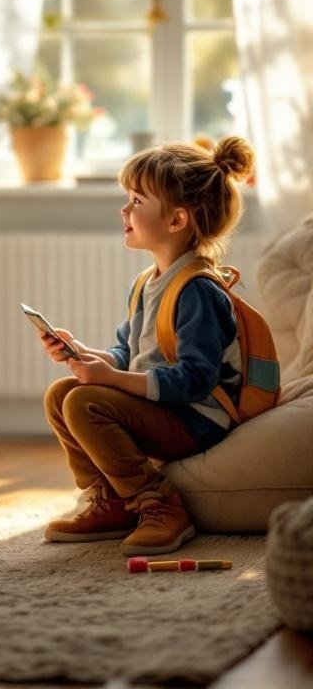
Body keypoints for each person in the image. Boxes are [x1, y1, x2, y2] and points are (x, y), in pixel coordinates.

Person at [39, 136, 255, 556]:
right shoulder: (147, 282)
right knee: (61, 395)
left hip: (196, 418)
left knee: (86, 402)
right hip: (165, 408)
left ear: (176, 220)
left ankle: (161, 506)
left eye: (137, 201)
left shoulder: (197, 290)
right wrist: (87, 355)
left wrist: (112, 379)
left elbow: (194, 380)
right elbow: (129, 355)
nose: (124, 210)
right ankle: (112, 499)